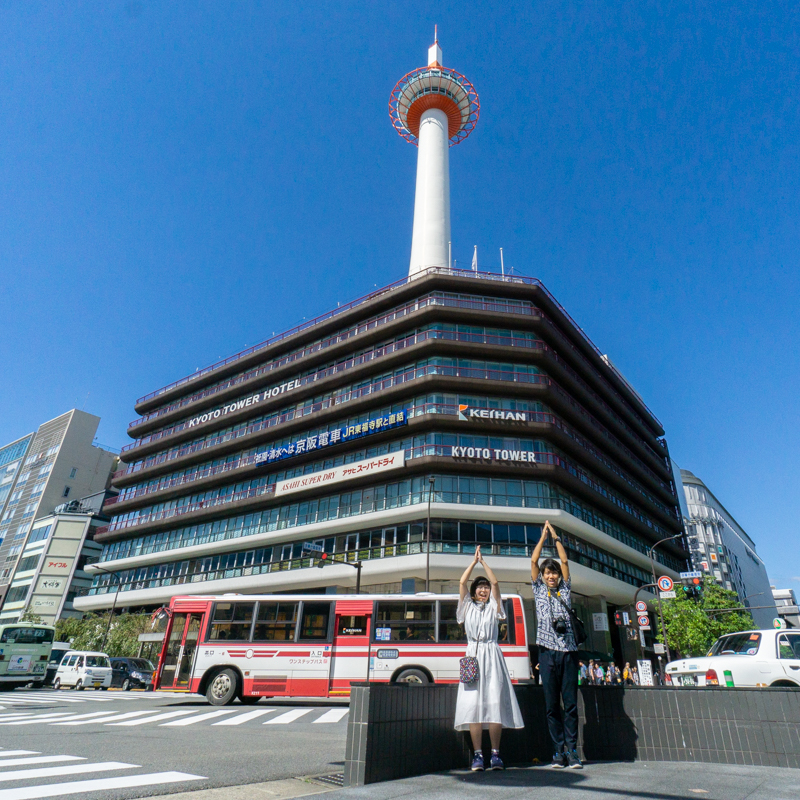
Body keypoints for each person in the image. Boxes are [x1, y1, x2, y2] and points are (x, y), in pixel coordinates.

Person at [455, 545, 524, 772]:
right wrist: (473, 563)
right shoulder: (466, 606)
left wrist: (483, 562)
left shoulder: (494, 606)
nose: (483, 590)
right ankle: (477, 755)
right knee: (472, 705)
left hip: (492, 654)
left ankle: (495, 754)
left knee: (495, 703)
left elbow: (495, 583)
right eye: (480, 587)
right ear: (474, 591)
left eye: (485, 587)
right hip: (472, 656)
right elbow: (461, 583)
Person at [531, 521, 583, 769]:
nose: (551, 576)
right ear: (542, 576)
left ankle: (572, 751)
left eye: (554, 573)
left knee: (570, 705)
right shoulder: (539, 590)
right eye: (547, 573)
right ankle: (557, 752)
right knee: (552, 706)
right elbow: (533, 561)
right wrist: (543, 537)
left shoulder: (565, 589)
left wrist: (556, 537)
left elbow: (564, 561)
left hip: (569, 652)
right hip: (546, 653)